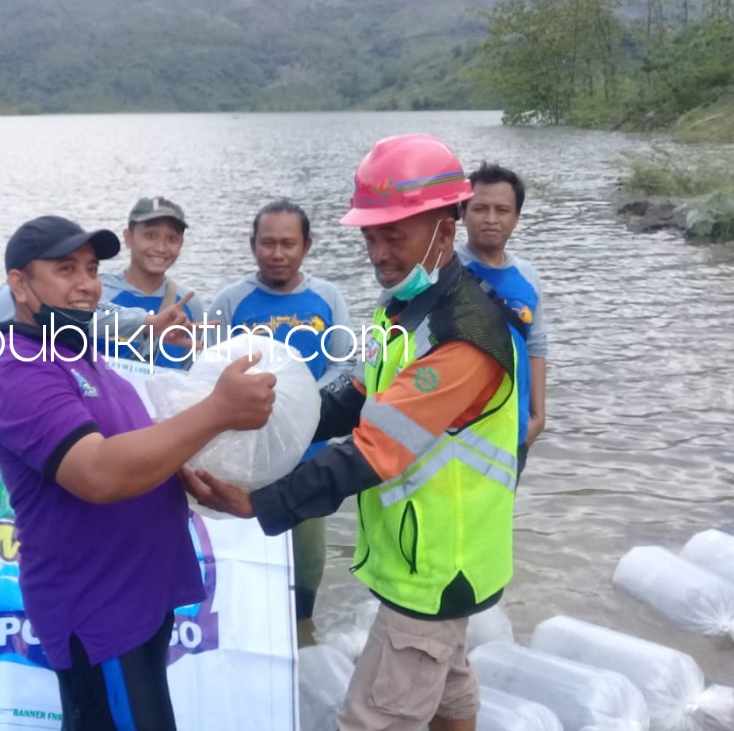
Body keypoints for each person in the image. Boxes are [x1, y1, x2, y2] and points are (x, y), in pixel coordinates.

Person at [183, 134, 521, 731]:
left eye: (395, 234)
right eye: (370, 235)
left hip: (438, 565)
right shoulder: (406, 308)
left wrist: (260, 503)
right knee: (447, 686)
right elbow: (360, 395)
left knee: (373, 719)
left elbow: (372, 450)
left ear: (446, 226)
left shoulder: (464, 334)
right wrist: (281, 412)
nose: (379, 252)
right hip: (432, 558)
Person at [0, 215, 276, 730]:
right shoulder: (21, 368)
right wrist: (217, 411)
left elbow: (135, 450)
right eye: (65, 269)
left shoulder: (84, 356)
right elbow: (97, 473)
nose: (86, 285)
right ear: (20, 284)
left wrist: (186, 469)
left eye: (92, 269)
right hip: (98, 609)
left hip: (141, 599)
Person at [206, 198, 354, 623]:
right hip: (248, 455)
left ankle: (303, 634)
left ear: (307, 245)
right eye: (267, 243)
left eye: (288, 243)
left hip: (309, 452)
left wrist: (301, 404)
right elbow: (209, 369)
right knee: (244, 558)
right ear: (253, 245)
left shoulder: (328, 297)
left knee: (307, 568)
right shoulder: (231, 301)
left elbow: (344, 363)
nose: (277, 253)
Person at [457, 162, 547, 473]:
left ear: (516, 217)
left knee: (498, 518)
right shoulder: (445, 271)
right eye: (480, 208)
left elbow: (536, 346)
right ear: (463, 213)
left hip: (513, 430)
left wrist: (538, 418)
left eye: (502, 210)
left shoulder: (527, 276)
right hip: (457, 432)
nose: (491, 219)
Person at [99, 196, 205, 369]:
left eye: (172, 239)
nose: (161, 248)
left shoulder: (190, 303)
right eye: (150, 236)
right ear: (128, 237)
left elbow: (189, 371)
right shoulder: (98, 291)